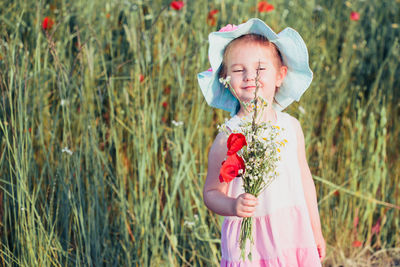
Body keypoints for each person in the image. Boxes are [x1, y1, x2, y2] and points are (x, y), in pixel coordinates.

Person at [197, 18, 326, 266]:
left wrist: (315, 230)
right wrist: (233, 205)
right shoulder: (228, 135)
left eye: (260, 69)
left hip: (292, 234)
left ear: (280, 76)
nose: (249, 77)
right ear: (225, 79)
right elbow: (211, 192)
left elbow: (305, 182)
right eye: (238, 70)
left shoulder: (291, 127)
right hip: (249, 244)